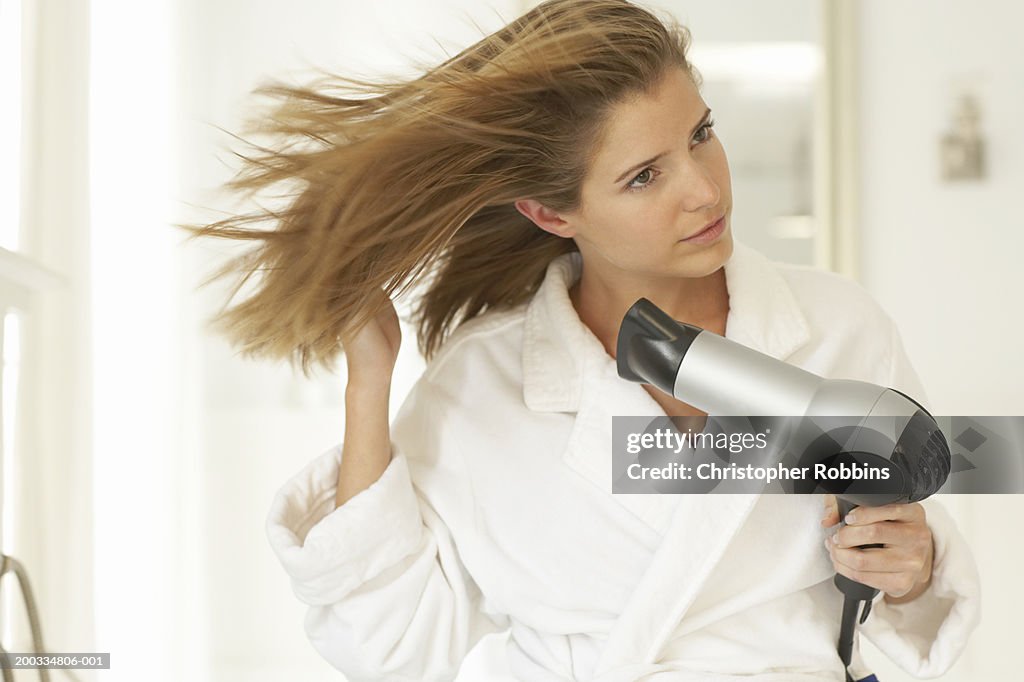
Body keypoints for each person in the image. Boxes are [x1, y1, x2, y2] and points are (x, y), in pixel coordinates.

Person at [187, 1, 980, 680]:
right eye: (645, 176)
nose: (705, 189)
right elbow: (387, 646)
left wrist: (910, 571)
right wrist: (369, 378)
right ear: (551, 214)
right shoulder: (481, 383)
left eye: (702, 135)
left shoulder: (839, 330)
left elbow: (908, 597)